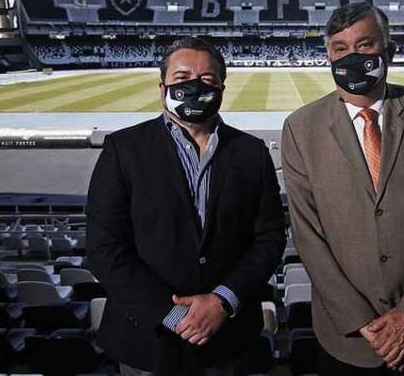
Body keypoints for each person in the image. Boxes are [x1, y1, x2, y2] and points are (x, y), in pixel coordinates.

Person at [281, 2, 404, 375]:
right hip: (347, 340)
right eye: (340, 49)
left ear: (389, 50)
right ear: (328, 57)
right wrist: (362, 320)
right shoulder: (300, 128)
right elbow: (308, 236)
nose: (352, 57)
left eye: (365, 45)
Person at [87, 37, 286, 376]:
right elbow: (105, 248)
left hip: (231, 341)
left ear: (223, 85)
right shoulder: (123, 149)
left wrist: (223, 300)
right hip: (147, 343)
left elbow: (269, 239)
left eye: (207, 79)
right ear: (161, 86)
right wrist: (176, 315)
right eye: (181, 79)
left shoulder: (251, 152)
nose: (195, 86)